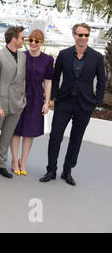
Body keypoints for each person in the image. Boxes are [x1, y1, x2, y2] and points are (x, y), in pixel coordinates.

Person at [40, 23, 105, 186]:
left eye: (86, 35)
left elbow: (102, 82)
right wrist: (53, 95)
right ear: (74, 35)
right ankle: (51, 170)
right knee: (55, 136)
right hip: (64, 102)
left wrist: (97, 102)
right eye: (80, 35)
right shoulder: (64, 54)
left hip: (85, 105)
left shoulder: (97, 57)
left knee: (76, 139)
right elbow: (55, 76)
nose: (83, 38)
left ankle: (67, 171)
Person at [0, 26, 26, 179]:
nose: (24, 40)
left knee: (7, 136)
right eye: (22, 37)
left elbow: (22, 80)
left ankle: (1, 164)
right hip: (1, 103)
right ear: (14, 39)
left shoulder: (23, 56)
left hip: (17, 103)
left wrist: (22, 100)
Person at [11, 29, 54, 176]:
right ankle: (14, 162)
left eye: (37, 41)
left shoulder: (48, 60)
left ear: (42, 43)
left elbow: (48, 81)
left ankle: (23, 162)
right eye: (30, 40)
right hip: (19, 95)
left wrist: (47, 102)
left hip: (36, 98)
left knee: (29, 132)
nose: (33, 43)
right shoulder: (20, 55)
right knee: (16, 130)